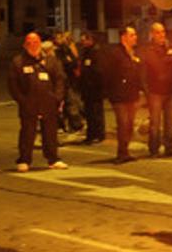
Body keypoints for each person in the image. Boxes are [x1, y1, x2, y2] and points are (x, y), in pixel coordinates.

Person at [8, 32, 68, 172]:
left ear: (40, 43)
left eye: (36, 42)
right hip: (28, 103)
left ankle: (53, 158)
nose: (33, 45)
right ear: (25, 45)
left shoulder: (51, 60)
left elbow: (60, 80)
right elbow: (13, 84)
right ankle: (24, 159)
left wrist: (57, 98)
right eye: (29, 43)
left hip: (48, 102)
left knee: (50, 133)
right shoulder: (18, 62)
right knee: (27, 132)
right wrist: (22, 100)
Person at [142, 22, 172, 157]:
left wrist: (170, 56)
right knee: (155, 122)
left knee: (169, 122)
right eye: (158, 32)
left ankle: (169, 147)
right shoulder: (149, 50)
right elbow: (157, 67)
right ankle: (153, 149)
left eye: (163, 32)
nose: (162, 35)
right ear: (152, 34)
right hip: (156, 91)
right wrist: (169, 57)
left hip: (171, 90)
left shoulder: (170, 47)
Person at [105, 25, 143, 163]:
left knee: (130, 124)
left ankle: (126, 150)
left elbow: (138, 73)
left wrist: (141, 89)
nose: (135, 37)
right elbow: (109, 74)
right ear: (124, 37)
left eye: (135, 35)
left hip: (132, 95)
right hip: (119, 96)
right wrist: (111, 92)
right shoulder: (115, 53)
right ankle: (121, 153)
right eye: (132, 35)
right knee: (123, 123)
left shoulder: (134, 52)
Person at [78, 31, 105, 144]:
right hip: (87, 89)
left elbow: (98, 71)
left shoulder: (96, 52)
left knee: (96, 113)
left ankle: (98, 134)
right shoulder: (85, 52)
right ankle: (91, 134)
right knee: (89, 113)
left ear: (90, 40)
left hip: (95, 89)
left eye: (84, 40)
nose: (82, 42)